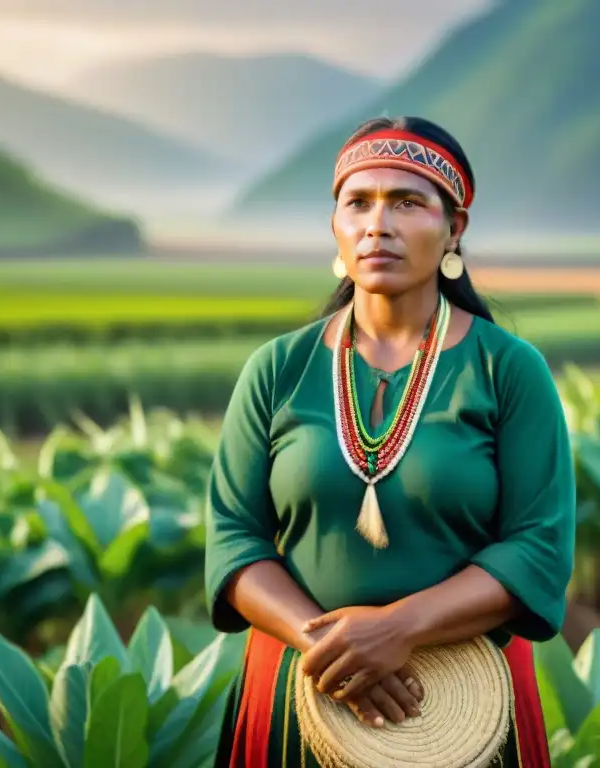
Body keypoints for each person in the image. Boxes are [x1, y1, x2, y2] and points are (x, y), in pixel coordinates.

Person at [204, 115, 576, 767]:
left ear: (454, 228)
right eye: (359, 202)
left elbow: (538, 547)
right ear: (336, 228)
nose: (379, 223)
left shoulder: (508, 370)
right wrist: (335, 647)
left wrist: (399, 630)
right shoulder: (277, 369)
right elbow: (234, 536)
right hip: (299, 688)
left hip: (466, 701)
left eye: (408, 202)